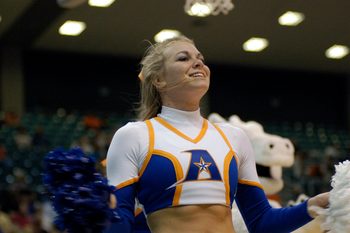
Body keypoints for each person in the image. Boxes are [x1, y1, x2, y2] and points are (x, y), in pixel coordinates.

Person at [105, 35, 329, 233]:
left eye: (200, 58)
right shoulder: (135, 136)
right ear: (158, 80)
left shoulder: (234, 137)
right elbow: (120, 222)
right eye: (184, 58)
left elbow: (261, 221)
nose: (198, 63)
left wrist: (313, 205)